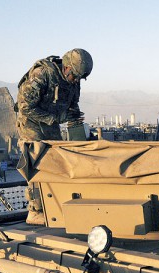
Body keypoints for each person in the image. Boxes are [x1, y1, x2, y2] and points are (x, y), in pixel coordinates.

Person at [16, 48, 93, 225]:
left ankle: (54, 207)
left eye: (79, 78)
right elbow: (25, 107)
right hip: (31, 123)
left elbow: (72, 104)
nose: (75, 80)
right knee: (36, 162)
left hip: (52, 124)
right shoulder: (42, 73)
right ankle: (35, 211)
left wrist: (73, 117)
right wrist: (55, 118)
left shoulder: (74, 80)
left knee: (56, 162)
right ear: (66, 67)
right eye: (74, 75)